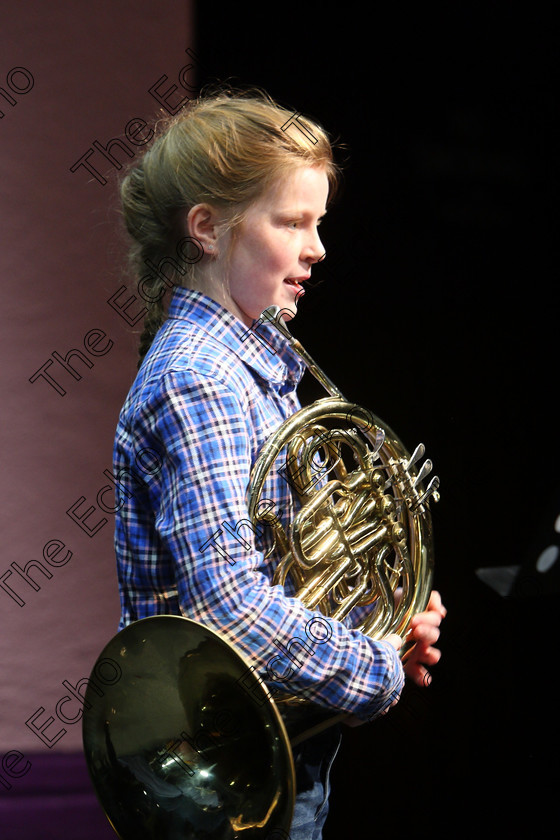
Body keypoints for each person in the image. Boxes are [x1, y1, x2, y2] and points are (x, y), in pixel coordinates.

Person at [113, 88, 446, 839]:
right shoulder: (200, 377)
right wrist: (375, 668)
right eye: (293, 222)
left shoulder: (258, 360)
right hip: (228, 782)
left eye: (318, 222)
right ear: (207, 228)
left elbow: (293, 569)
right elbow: (231, 608)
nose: (317, 247)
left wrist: (380, 623)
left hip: (276, 758)